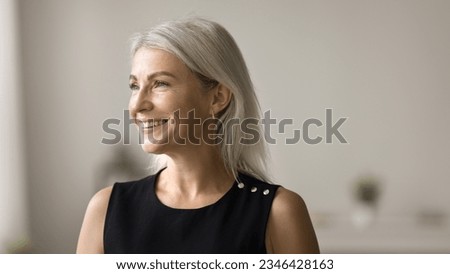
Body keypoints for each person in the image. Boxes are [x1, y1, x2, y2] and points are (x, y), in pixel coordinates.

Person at [76, 17, 319, 254]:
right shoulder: (106, 208)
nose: (137, 105)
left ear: (217, 98)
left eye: (160, 83)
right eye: (134, 86)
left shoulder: (279, 212)